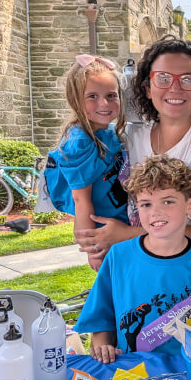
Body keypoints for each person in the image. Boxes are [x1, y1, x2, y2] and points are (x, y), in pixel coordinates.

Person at [73, 38, 191, 284]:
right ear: (148, 88)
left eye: (188, 79)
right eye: (163, 78)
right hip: (143, 268)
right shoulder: (129, 138)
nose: (175, 88)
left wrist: (127, 234)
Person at [74, 155, 191, 363]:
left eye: (168, 201)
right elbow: (101, 318)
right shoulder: (118, 256)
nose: (156, 212)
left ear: (190, 205)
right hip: (131, 370)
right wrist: (103, 347)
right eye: (146, 204)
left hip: (188, 370)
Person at [44, 54, 128, 271]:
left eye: (111, 95)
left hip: (121, 223)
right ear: (76, 100)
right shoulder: (79, 142)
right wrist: (92, 249)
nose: (104, 103)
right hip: (102, 232)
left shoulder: (110, 132)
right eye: (92, 96)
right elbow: (80, 199)